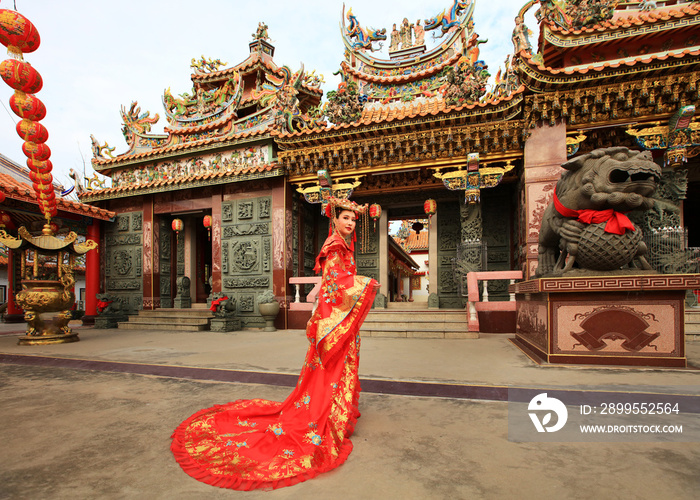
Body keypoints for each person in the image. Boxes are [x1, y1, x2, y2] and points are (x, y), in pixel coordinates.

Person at [171, 197, 379, 490]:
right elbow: (334, 286)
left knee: (335, 370)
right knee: (330, 371)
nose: (350, 223)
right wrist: (365, 284)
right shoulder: (334, 248)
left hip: (336, 321)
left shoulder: (342, 246)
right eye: (345, 217)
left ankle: (335, 415)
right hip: (333, 319)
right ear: (333, 219)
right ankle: (327, 417)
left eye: (353, 219)